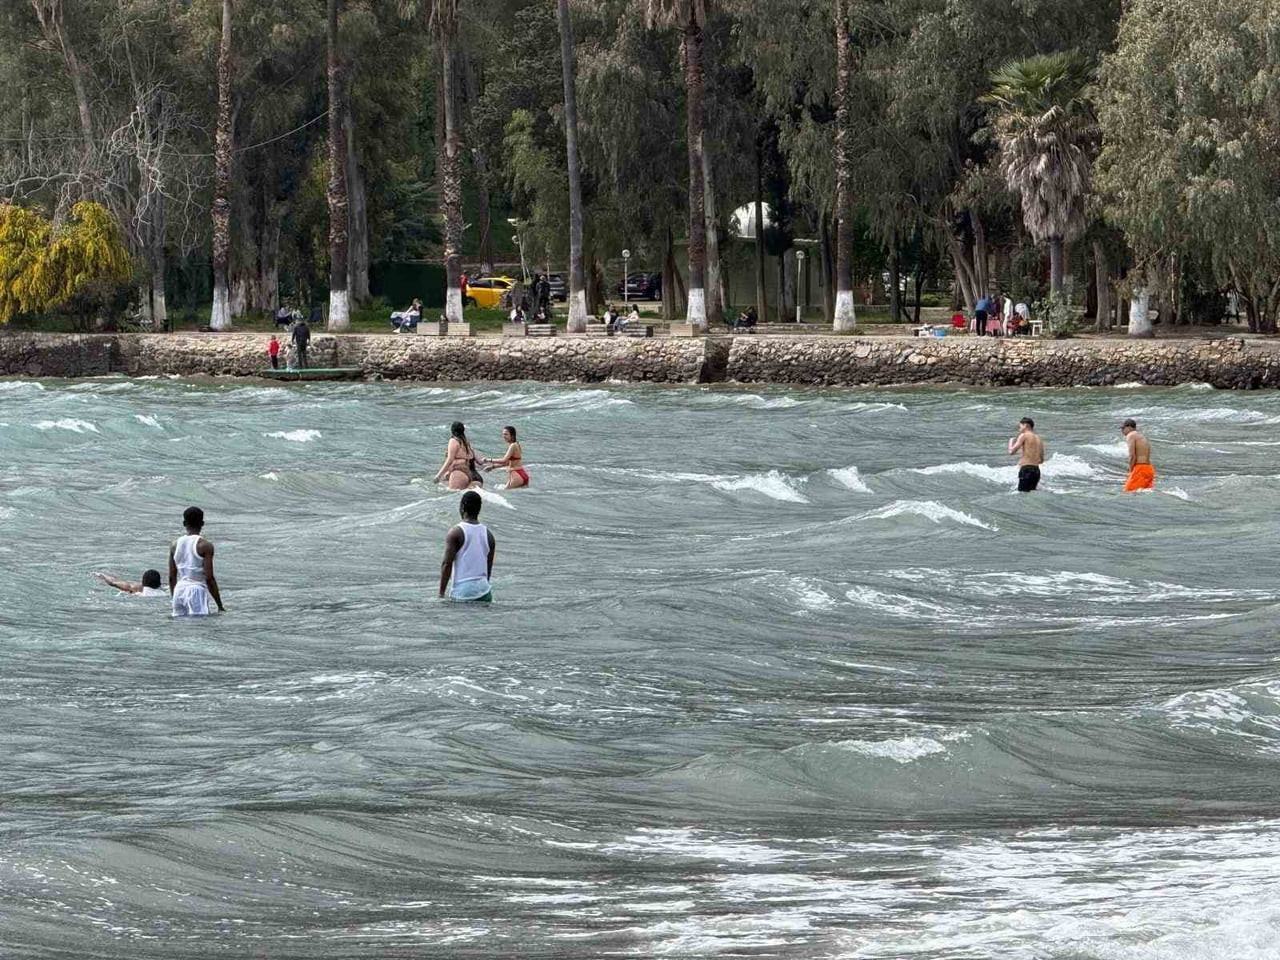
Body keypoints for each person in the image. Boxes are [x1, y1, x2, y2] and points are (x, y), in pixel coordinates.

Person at [439, 490, 495, 602]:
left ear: (462, 507)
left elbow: (447, 564)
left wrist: (441, 594)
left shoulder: (456, 532)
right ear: (479, 509)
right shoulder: (489, 534)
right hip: (484, 590)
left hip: (463, 592)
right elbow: (488, 567)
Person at [169, 506, 224, 617]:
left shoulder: (174, 545)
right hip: (196, 590)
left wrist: (174, 596)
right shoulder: (205, 545)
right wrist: (219, 605)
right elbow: (209, 578)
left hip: (179, 590)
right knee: (199, 629)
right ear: (202, 523)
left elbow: (172, 577)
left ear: (184, 523)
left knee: (180, 628)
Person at [434, 421, 484, 491]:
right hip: (476, 477)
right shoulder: (467, 442)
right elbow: (480, 462)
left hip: (461, 473)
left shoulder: (453, 440)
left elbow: (450, 460)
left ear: (452, 431)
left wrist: (438, 476)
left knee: (454, 496)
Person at [484, 425, 529, 489]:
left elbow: (504, 460)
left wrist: (488, 460)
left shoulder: (513, 445)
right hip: (522, 474)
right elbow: (507, 463)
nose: (504, 436)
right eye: (503, 434)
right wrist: (492, 467)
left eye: (506, 434)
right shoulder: (517, 444)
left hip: (516, 475)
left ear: (512, 435)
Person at [1008, 416, 1045, 492]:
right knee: (1031, 494)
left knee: (1022, 494)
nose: (1019, 429)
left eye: (1020, 426)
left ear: (1025, 425)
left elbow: (1011, 452)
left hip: (1026, 470)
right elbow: (1041, 460)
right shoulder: (1039, 438)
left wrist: (1010, 441)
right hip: (1036, 470)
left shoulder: (1024, 435)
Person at [1121, 419, 1155, 491]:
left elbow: (1132, 456)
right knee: (1144, 493)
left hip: (1140, 469)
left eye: (1123, 428)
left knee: (1128, 492)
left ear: (1129, 427)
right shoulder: (1141, 436)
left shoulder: (1131, 435)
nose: (1122, 431)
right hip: (1149, 469)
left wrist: (1131, 471)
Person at [94, 569, 168, 598]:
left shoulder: (138, 592)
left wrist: (101, 576)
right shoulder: (164, 594)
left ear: (143, 582)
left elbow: (113, 583)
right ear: (159, 583)